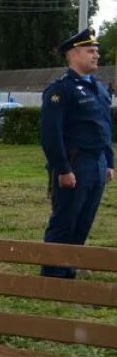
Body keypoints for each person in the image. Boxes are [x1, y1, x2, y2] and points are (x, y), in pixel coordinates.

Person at [39, 28, 114, 277]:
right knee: (64, 221)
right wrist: (62, 168)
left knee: (84, 220)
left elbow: (104, 127)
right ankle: (52, 275)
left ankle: (68, 269)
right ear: (73, 55)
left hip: (97, 163)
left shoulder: (99, 89)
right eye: (90, 51)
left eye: (97, 51)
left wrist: (109, 162)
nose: (96, 56)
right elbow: (51, 133)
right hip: (75, 163)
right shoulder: (62, 89)